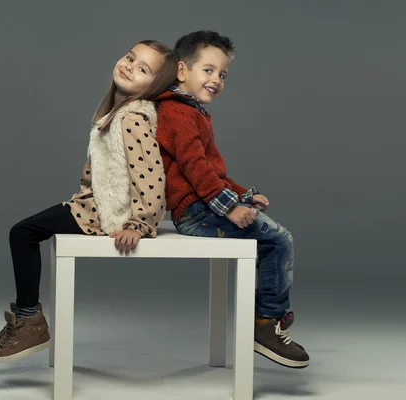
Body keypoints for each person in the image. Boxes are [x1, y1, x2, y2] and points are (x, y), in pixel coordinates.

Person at [0, 40, 177, 363]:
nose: (130, 65)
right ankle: (27, 316)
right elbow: (96, 171)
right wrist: (78, 198)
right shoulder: (113, 114)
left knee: (22, 234)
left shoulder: (133, 120)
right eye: (130, 57)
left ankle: (29, 319)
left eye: (143, 68)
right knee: (25, 232)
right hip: (90, 206)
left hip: (104, 216)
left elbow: (153, 177)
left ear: (154, 86)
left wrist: (140, 224)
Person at [154, 30, 310, 368]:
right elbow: (195, 169)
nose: (216, 80)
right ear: (183, 71)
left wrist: (245, 195)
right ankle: (267, 324)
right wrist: (230, 207)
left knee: (274, 236)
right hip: (195, 212)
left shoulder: (193, 112)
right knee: (278, 240)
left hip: (203, 205)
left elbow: (212, 170)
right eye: (208, 70)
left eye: (222, 74)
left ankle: (266, 318)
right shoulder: (177, 113)